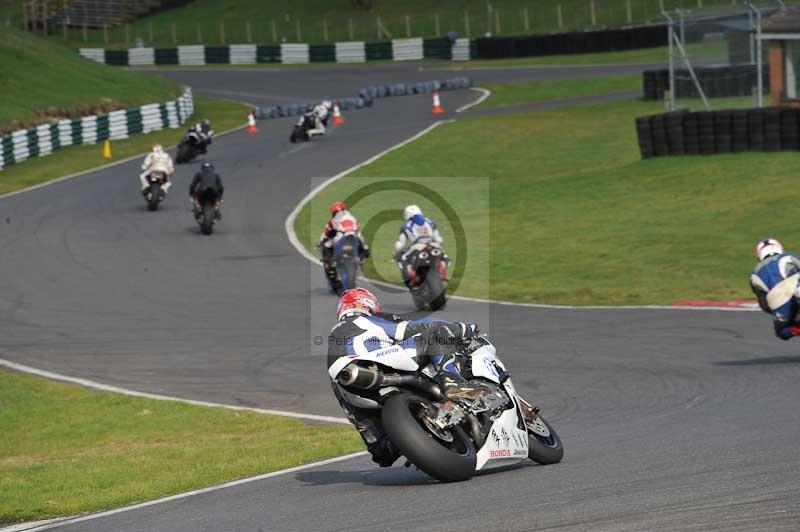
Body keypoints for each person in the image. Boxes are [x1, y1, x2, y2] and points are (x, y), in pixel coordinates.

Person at [327, 287, 479, 467]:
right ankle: (455, 384)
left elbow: (354, 412)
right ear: (368, 304)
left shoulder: (333, 340)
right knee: (434, 333)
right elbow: (421, 326)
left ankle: (390, 443)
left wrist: (393, 441)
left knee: (381, 451)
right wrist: (466, 329)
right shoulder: (367, 319)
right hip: (377, 363)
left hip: (348, 386)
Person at [749, 238, 800, 340]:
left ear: (759, 256)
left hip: (778, 301)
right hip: (796, 287)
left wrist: (780, 315)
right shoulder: (788, 256)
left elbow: (764, 305)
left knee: (781, 331)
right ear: (780, 249)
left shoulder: (753, 275)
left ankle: (796, 328)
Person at [317, 201, 370, 294]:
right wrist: (365, 249)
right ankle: (361, 259)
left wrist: (320, 242)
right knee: (365, 250)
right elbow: (358, 231)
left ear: (333, 212)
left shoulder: (333, 220)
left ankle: (330, 264)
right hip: (355, 239)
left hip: (342, 239)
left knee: (325, 246)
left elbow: (325, 234)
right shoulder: (353, 218)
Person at [394, 204, 449, 284]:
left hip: (417, 246)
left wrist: (397, 251)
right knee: (444, 257)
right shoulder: (430, 222)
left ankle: (410, 273)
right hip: (433, 244)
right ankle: (442, 268)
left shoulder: (405, 226)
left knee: (402, 258)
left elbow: (401, 244)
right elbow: (439, 239)